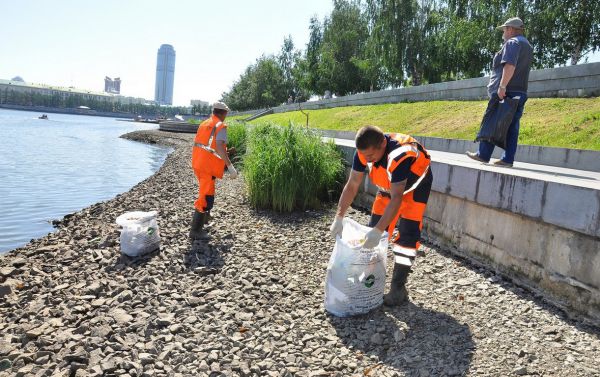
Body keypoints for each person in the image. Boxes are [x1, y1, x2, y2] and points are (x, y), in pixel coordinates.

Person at [330, 126, 433, 305]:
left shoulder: (399, 155)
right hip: (387, 189)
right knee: (373, 236)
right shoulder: (364, 151)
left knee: (407, 239)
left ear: (383, 145)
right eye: (364, 156)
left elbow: (397, 198)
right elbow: (353, 184)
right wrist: (339, 217)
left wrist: (378, 231)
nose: (366, 159)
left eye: (370, 156)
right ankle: (367, 280)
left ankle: (398, 289)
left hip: (414, 189)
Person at [466, 17, 533, 167]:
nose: (503, 32)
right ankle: (506, 159)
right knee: (511, 125)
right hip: (521, 91)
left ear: (510, 29)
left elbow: (510, 65)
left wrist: (502, 87)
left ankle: (483, 155)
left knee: (492, 120)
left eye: (504, 29)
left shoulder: (512, 43)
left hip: (508, 90)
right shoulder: (527, 45)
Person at [189, 101, 238, 240]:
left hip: (198, 163)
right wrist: (230, 165)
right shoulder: (220, 126)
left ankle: (205, 219)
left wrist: (228, 152)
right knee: (205, 197)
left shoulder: (205, 123)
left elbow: (207, 145)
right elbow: (219, 147)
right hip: (207, 166)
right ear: (223, 113)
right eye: (226, 114)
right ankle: (195, 231)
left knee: (207, 192)